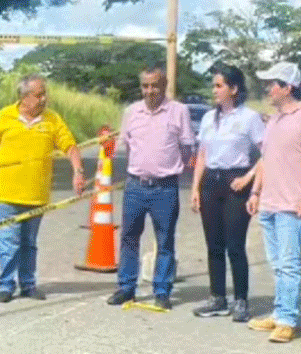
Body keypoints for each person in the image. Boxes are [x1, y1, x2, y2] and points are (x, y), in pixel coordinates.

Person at [0, 74, 85, 303]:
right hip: (6, 193)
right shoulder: (4, 116)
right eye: (38, 95)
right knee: (8, 242)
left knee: (29, 243)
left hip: (36, 194)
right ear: (24, 97)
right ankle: (6, 286)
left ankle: (28, 284)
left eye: (44, 93)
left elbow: (70, 146)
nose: (44, 98)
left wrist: (78, 171)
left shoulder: (52, 119)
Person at [246, 62, 301, 343]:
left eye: (272, 84)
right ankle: (279, 314)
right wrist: (255, 193)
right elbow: (265, 161)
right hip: (269, 203)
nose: (268, 89)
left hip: (293, 205)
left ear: (287, 88)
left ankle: (288, 320)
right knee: (277, 263)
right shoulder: (275, 120)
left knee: (290, 263)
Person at [107, 63, 195, 310]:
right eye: (145, 86)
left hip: (165, 188)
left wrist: (184, 173)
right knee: (129, 238)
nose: (149, 91)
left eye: (155, 85)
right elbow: (121, 146)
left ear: (164, 85)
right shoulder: (131, 112)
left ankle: (162, 290)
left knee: (165, 240)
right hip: (135, 186)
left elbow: (188, 147)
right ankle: (126, 287)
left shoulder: (179, 111)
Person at [189, 64, 265, 322]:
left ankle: (241, 300)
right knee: (214, 245)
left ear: (233, 89)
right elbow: (202, 154)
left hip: (236, 182)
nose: (214, 90)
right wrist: (195, 188)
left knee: (235, 245)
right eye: (213, 85)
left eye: (219, 86)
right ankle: (217, 298)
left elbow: (267, 154)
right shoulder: (209, 118)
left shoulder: (249, 118)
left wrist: (248, 178)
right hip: (211, 181)